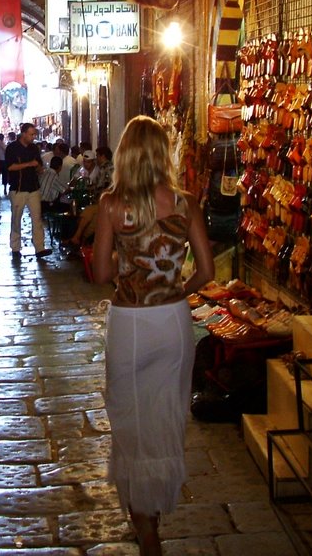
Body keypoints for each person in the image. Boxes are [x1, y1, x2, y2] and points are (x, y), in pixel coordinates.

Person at [91, 116, 214, 555]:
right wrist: (175, 290)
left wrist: (129, 277)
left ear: (125, 155)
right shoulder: (186, 203)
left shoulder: (111, 205)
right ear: (165, 155)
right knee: (166, 419)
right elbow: (207, 271)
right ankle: (153, 513)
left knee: (131, 420)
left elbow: (101, 272)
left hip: (131, 323)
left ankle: (144, 524)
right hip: (174, 323)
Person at [4, 122, 51, 262]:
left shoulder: (33, 148)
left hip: (33, 188)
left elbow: (39, 165)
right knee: (16, 219)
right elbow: (10, 167)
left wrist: (39, 168)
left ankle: (39, 247)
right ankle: (15, 247)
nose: (33, 137)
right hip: (18, 188)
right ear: (23, 133)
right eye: (31, 134)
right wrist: (29, 164)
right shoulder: (12, 148)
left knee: (37, 218)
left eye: (34, 134)